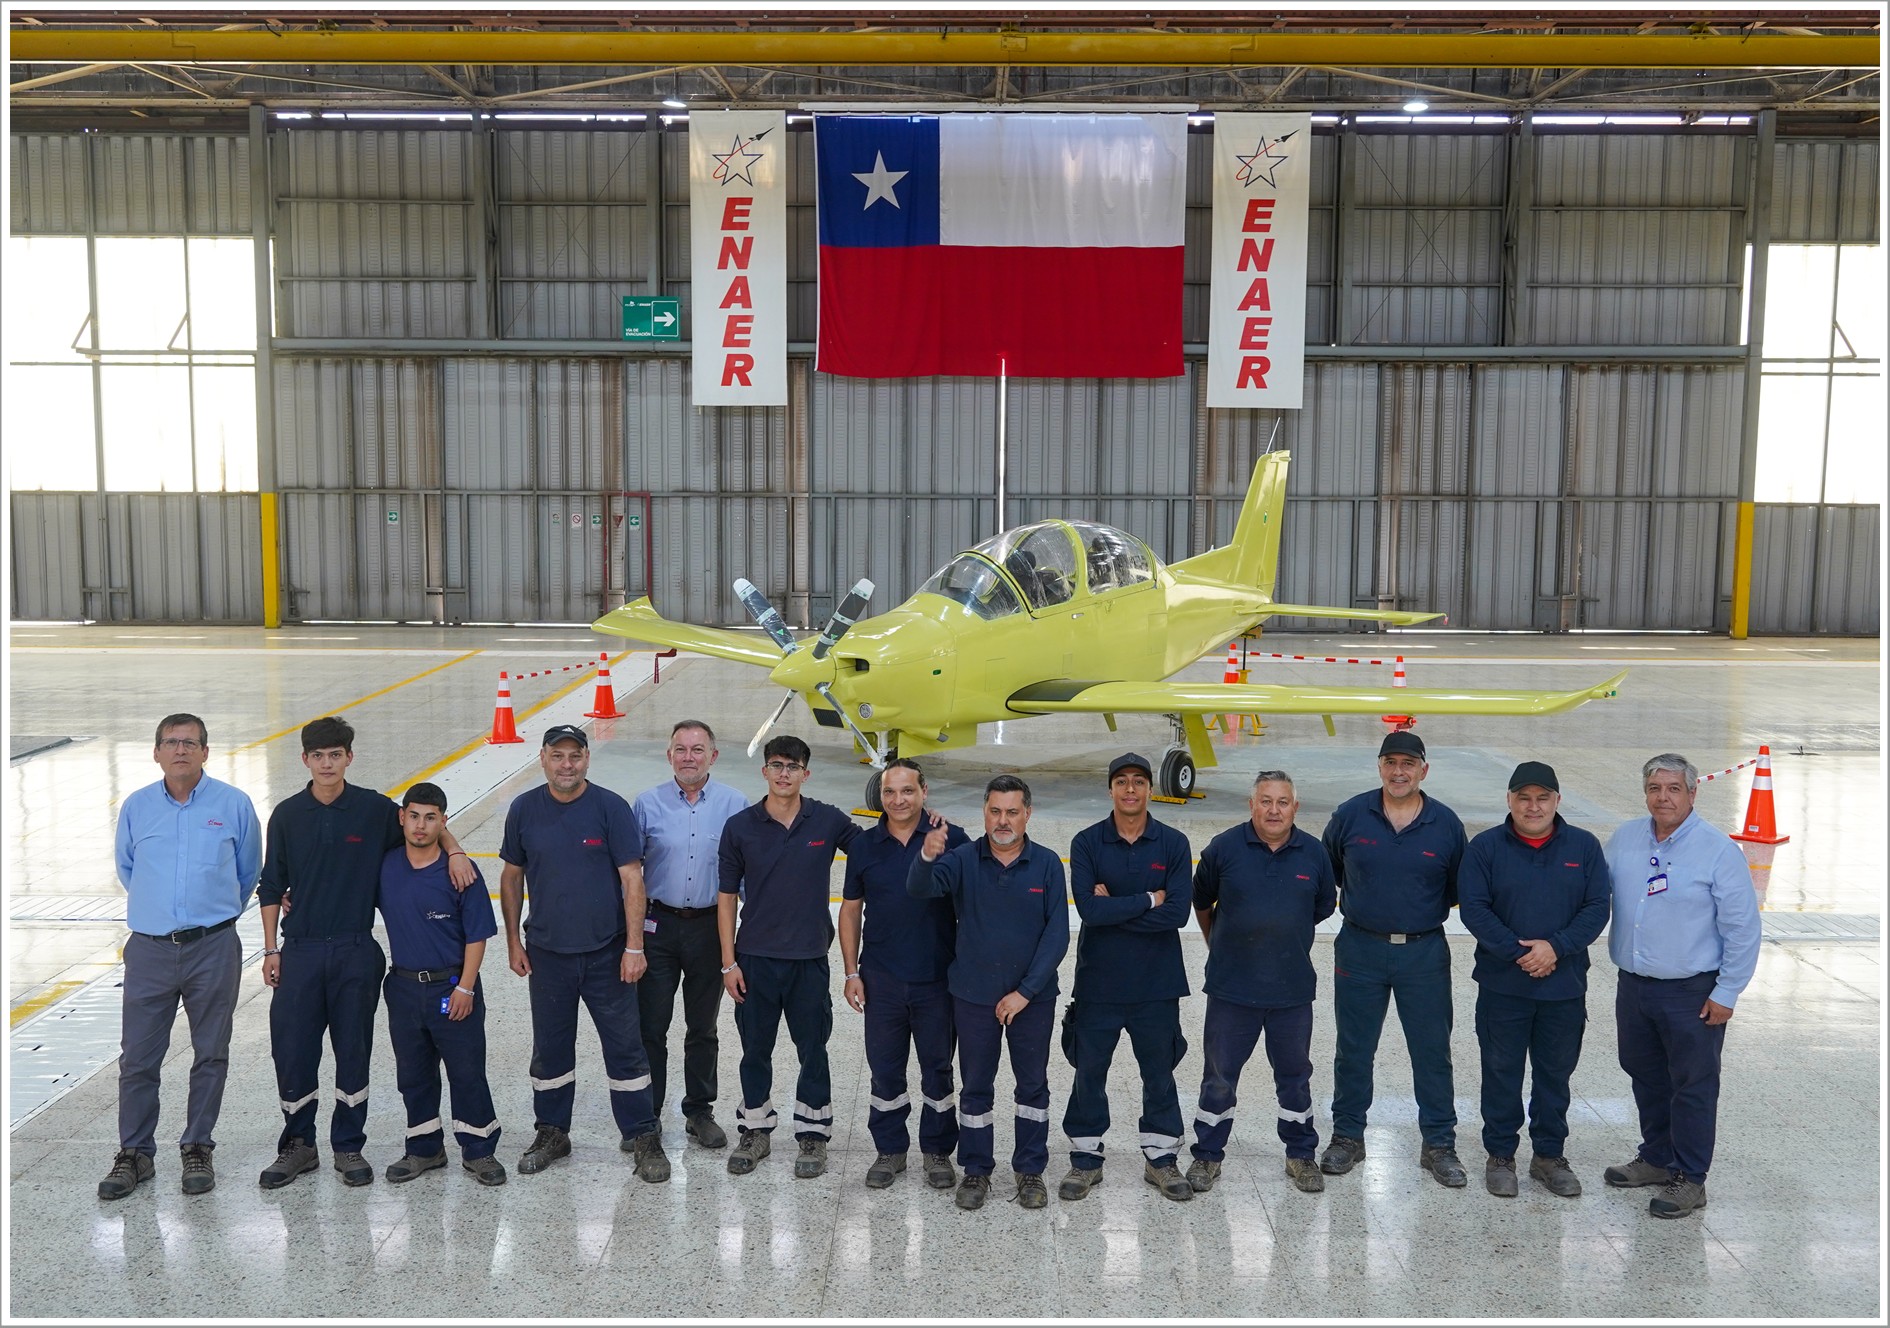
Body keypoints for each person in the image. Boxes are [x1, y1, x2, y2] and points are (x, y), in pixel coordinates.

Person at [257, 715, 475, 1190]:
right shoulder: (288, 815)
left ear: (349, 758)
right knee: (292, 1051)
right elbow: (271, 884)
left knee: (353, 1050)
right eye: (319, 756)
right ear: (305, 760)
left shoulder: (374, 810)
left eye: (336, 755)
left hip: (355, 948)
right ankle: (298, 1144)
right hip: (300, 950)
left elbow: (423, 822)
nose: (327, 764)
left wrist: (456, 851)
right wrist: (271, 949)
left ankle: (348, 1144)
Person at [99, 713, 262, 1200]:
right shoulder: (137, 806)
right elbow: (128, 868)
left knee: (210, 1052)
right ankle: (135, 1153)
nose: (180, 750)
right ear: (156, 753)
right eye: (171, 742)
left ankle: (197, 1146)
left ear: (205, 752)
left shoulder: (233, 804)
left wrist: (209, 916)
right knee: (138, 1058)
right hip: (149, 950)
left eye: (190, 743)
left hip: (213, 947)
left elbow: (248, 872)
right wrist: (162, 915)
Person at [499, 724, 665, 1183]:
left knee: (626, 1049)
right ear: (543, 758)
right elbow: (512, 876)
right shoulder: (524, 808)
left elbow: (632, 879)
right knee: (550, 1049)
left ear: (587, 759)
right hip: (547, 954)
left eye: (575, 756)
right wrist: (512, 941)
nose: (566, 765)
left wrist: (635, 946)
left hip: (607, 954)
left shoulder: (610, 808)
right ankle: (552, 1132)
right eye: (558, 756)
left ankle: (642, 1134)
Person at [1602, 753, 1761, 1219]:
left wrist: (1727, 991)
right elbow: (1591, 893)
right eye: (1655, 788)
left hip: (1692, 992)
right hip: (1634, 986)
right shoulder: (1625, 838)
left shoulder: (1718, 851)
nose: (1663, 797)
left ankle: (1690, 1177)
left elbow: (1743, 928)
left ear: (1693, 793)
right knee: (1644, 1072)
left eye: (1674, 788)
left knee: (1692, 1084)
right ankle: (1656, 1157)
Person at [908, 775, 1069, 1212]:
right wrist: (925, 856)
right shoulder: (962, 859)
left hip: (1032, 1000)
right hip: (973, 995)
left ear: (1028, 814)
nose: (1003, 821)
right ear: (984, 812)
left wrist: (1025, 992)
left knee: (1032, 1087)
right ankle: (976, 1170)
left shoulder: (1048, 864)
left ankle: (1030, 1170)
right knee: (976, 1087)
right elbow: (920, 888)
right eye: (995, 811)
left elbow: (1057, 935)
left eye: (1012, 812)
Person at [1319, 730, 1469, 1187]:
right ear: (1380, 767)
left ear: (1424, 770)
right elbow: (1329, 871)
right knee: (1353, 1048)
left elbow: (1457, 888)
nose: (1399, 772)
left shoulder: (1446, 824)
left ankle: (1439, 1144)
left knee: (1432, 1051)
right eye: (1391, 763)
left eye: (1408, 764)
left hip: (1423, 951)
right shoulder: (1350, 815)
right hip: (1360, 947)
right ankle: (1347, 1136)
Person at [1457, 761, 1611, 1200]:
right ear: (1509, 800)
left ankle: (1549, 1155)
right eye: (1523, 797)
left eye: (1543, 798)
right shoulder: (1486, 848)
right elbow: (1474, 908)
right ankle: (1500, 1155)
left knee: (1554, 1075)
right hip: (1504, 987)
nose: (1533, 806)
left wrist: (1555, 948)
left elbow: (1597, 907)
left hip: (1563, 988)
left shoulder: (1583, 846)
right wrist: (1520, 952)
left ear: (1558, 801)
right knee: (1500, 1072)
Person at [717, 735, 862, 1179]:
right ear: (764, 771)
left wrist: (926, 825)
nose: (784, 773)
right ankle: (755, 1130)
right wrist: (728, 963)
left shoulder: (827, 820)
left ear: (806, 773)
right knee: (754, 1050)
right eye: (777, 765)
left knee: (813, 1049)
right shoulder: (740, 826)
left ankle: (813, 1134)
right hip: (755, 959)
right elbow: (726, 898)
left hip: (808, 959)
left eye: (793, 766)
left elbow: (876, 850)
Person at [1187, 770, 1336, 1196]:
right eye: (1265, 801)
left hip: (1291, 991)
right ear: (1251, 805)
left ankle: (1301, 1154)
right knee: (1219, 1078)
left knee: (1295, 1077)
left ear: (1295, 807)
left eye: (1282, 802)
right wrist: (1217, 944)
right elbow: (1201, 900)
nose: (1274, 810)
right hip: (1231, 990)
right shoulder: (1224, 848)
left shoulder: (1314, 854)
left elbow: (1322, 906)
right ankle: (1207, 1154)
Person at [1059, 752, 1196, 1203]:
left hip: (1157, 985)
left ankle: (1162, 1159)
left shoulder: (1173, 843)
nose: (1130, 789)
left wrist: (1115, 906)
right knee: (1088, 1073)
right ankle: (1085, 1160)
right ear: (1111, 790)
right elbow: (1089, 911)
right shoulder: (1087, 842)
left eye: (1139, 781)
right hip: (1098, 983)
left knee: (1159, 1074)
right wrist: (1149, 900)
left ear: (1150, 789)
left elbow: (1177, 914)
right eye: (1122, 781)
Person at [838, 758, 968, 1190]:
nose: (898, 800)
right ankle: (890, 1150)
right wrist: (851, 972)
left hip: (937, 979)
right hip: (882, 979)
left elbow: (975, 901)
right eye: (889, 792)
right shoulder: (864, 845)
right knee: (885, 1070)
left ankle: (937, 1151)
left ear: (924, 792)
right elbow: (850, 911)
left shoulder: (952, 839)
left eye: (908, 790)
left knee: (938, 1070)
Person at [375, 782, 506, 1187]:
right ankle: (424, 1148)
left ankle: (479, 1150)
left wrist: (465, 988)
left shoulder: (461, 873)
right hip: (403, 988)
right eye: (414, 816)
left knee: (466, 1072)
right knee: (413, 1074)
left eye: (431, 818)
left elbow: (477, 936)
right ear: (402, 817)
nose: (421, 825)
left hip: (451, 987)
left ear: (443, 822)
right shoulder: (386, 866)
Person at [631, 719, 749, 1152]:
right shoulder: (646, 804)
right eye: (680, 749)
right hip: (657, 927)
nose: (688, 757)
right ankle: (646, 1116)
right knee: (651, 1027)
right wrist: (631, 941)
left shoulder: (736, 805)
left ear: (712, 756)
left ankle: (699, 1111)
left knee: (703, 1027)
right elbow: (630, 875)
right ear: (669, 756)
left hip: (709, 928)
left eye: (698, 749)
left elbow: (747, 875)